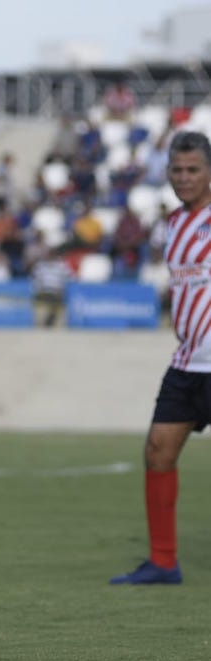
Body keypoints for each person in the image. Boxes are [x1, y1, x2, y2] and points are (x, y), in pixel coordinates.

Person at [110, 131, 211, 585]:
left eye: (193, 169)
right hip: (188, 362)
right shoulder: (174, 224)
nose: (184, 178)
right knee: (157, 451)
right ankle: (164, 562)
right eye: (177, 170)